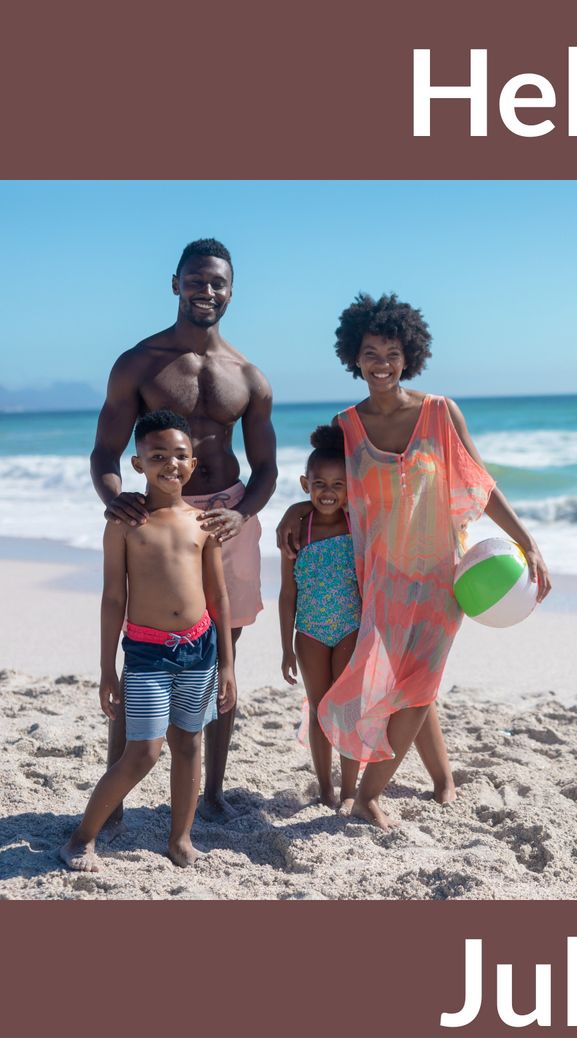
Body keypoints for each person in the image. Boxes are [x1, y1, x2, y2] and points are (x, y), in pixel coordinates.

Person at [277, 293, 551, 829]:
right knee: (395, 685)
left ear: (410, 356)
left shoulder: (439, 413)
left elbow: (480, 483)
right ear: (353, 357)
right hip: (379, 579)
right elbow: (327, 484)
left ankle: (370, 795)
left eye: (393, 352)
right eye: (371, 352)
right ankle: (435, 780)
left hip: (443, 578)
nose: (382, 363)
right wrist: (293, 506)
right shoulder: (347, 424)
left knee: (420, 684)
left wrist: (528, 541)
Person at [90, 238, 277, 823]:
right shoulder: (138, 363)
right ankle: (116, 798)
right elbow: (105, 450)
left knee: (222, 651)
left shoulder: (248, 375)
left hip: (224, 519)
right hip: (156, 519)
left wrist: (242, 513)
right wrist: (116, 502)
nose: (207, 291)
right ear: (176, 284)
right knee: (139, 645)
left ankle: (211, 790)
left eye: (218, 282)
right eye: (196, 280)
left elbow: (267, 467)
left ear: (231, 290)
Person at [60, 411, 236, 872]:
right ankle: (82, 837)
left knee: (190, 744)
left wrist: (229, 666)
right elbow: (113, 597)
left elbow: (218, 596)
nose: (170, 464)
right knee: (143, 751)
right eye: (157, 456)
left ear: (194, 463)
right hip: (146, 655)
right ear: (137, 464)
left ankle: (180, 841)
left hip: (200, 651)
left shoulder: (204, 523)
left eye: (180, 455)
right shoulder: (126, 523)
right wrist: (105, 669)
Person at [279, 425, 362, 812]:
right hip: (309, 631)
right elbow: (287, 592)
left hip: (350, 626)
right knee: (318, 708)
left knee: (346, 708)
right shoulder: (297, 531)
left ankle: (350, 790)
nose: (327, 492)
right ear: (304, 483)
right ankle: (325, 787)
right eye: (319, 484)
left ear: (350, 488)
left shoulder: (355, 525)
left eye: (337, 485)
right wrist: (285, 648)